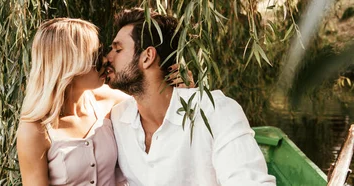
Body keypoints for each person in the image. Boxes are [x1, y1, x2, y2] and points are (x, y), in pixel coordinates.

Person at [105, 8, 277, 186]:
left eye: (117, 50)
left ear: (147, 57)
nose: (106, 59)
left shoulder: (215, 112)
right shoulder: (118, 118)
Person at [16, 18, 193, 185]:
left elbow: (154, 102)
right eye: (94, 56)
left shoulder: (111, 103)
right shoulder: (34, 130)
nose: (105, 60)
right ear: (68, 64)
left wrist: (180, 90)